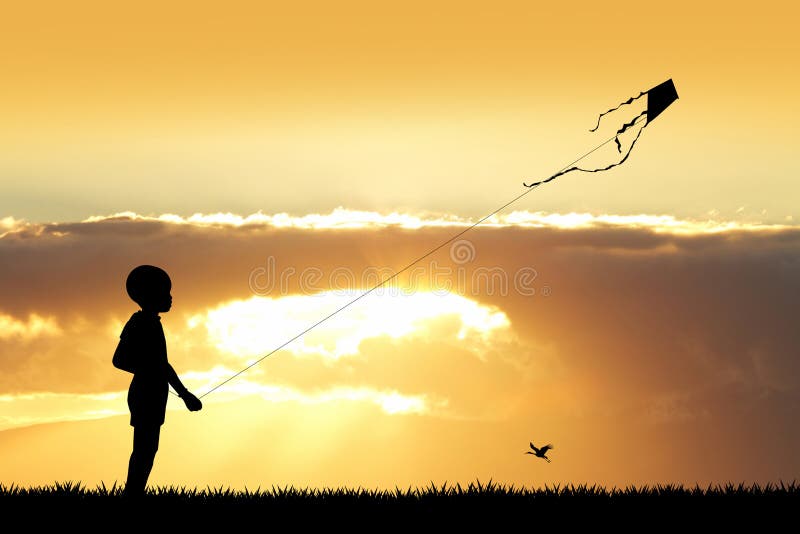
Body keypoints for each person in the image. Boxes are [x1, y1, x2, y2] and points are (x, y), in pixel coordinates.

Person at [113, 265, 202, 496]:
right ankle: (132, 493)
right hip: (145, 393)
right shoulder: (141, 323)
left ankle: (134, 492)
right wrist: (149, 369)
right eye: (165, 293)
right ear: (150, 295)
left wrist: (184, 394)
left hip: (154, 392)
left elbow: (163, 365)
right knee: (144, 447)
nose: (171, 298)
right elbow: (119, 359)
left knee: (149, 447)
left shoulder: (153, 323)